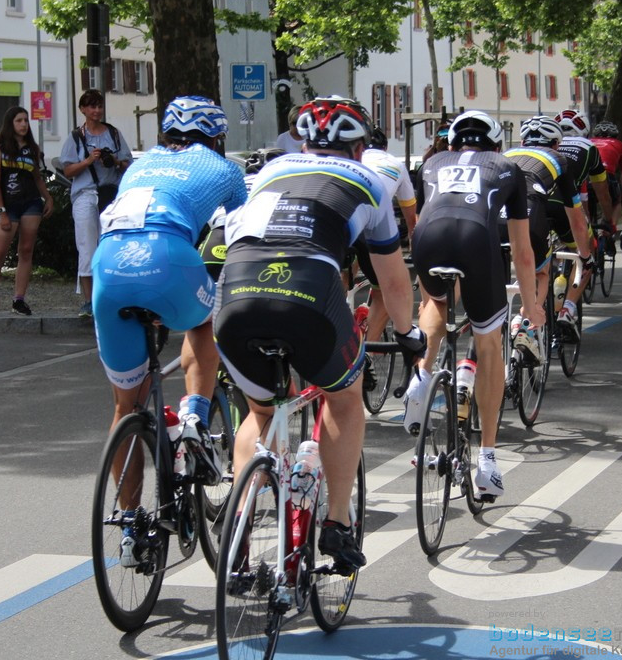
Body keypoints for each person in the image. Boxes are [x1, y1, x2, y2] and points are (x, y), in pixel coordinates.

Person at [215, 96, 424, 569]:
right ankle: (336, 524)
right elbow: (391, 279)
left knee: (261, 413)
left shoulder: (270, 170)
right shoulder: (371, 182)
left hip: (237, 292)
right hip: (307, 294)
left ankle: (239, 531)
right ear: (361, 147)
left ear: (305, 144)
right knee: (344, 398)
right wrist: (409, 335)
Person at [92, 96, 247, 507]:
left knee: (126, 406)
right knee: (204, 320)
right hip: (168, 258)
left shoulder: (138, 166)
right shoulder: (225, 169)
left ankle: (130, 525)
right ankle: (195, 414)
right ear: (217, 137)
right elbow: (241, 232)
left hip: (107, 265)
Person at [409, 110, 544, 501]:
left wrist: (425, 290)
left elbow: (420, 222)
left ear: (452, 144)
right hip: (477, 241)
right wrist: (532, 305)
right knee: (488, 344)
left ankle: (420, 380)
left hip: (428, 239)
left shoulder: (432, 162)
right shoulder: (507, 167)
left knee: (436, 302)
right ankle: (487, 459)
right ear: (497, 145)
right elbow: (522, 250)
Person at [503, 116, 594, 352]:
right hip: (529, 213)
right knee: (540, 272)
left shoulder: (506, 156)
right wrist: (585, 256)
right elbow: (577, 218)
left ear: (522, 142)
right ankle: (527, 323)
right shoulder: (558, 159)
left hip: (490, 218)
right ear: (556, 144)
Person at [0, 106, 54, 320]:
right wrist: (1, 211)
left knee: (26, 251)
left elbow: (37, 178)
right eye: (19, 121)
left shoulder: (32, 148)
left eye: (26, 121)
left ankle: (19, 299)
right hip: (9, 205)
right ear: (10, 124)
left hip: (31, 203)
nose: (23, 124)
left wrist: (48, 197)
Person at [59, 89, 133, 318]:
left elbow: (129, 164)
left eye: (99, 106)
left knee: (111, 246)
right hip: (85, 194)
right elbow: (68, 170)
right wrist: (89, 160)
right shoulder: (76, 137)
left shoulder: (113, 133)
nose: (97, 111)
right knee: (87, 247)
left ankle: (109, 296)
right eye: (92, 106)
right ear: (83, 109)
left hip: (110, 194)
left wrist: (115, 161)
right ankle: (89, 301)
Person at [358, 126, 419, 345]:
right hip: (373, 228)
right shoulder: (396, 164)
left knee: (340, 277)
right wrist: (416, 253)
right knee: (386, 292)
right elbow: (412, 220)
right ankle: (364, 360)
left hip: (341, 225)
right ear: (385, 148)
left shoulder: (351, 158)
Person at [553, 108, 612, 332]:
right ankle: (568, 308)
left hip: (534, 208)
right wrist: (608, 220)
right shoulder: (588, 148)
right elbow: (601, 190)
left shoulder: (540, 147)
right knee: (586, 252)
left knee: (538, 258)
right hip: (566, 208)